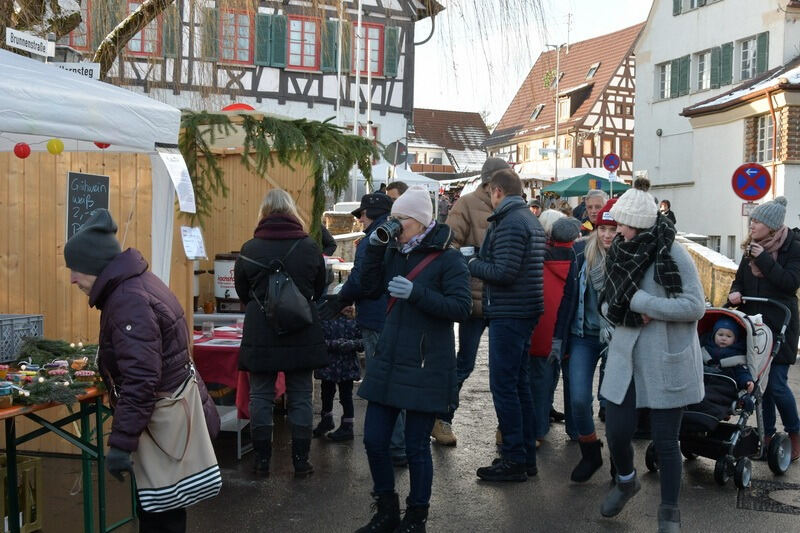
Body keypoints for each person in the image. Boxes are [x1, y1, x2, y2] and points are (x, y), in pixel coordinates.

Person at [64, 209, 220, 533]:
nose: (72, 279)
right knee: (168, 509)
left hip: (162, 423)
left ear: (94, 264)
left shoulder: (127, 299)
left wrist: (122, 443)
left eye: (75, 269)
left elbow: (141, 378)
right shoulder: (135, 285)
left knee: (161, 515)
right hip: (170, 416)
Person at [356, 186, 471, 532]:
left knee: (416, 445)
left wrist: (418, 293)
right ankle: (386, 511)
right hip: (390, 357)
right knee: (374, 440)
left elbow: (461, 308)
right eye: (393, 218)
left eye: (400, 219)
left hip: (425, 362)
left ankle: (415, 518)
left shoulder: (448, 259)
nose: (394, 225)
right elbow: (369, 286)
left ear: (420, 223)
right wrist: (374, 250)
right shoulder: (394, 251)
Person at [599, 184, 705, 532]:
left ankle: (669, 512)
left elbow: (695, 306)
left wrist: (644, 304)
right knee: (616, 431)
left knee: (665, 441)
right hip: (625, 358)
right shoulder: (618, 251)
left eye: (625, 226)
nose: (618, 232)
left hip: (664, 360)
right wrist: (619, 311)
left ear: (641, 225)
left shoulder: (673, 254)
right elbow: (608, 300)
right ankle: (627, 480)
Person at [234, 189, 329, 478]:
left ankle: (262, 460)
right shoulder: (310, 247)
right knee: (301, 396)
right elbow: (319, 288)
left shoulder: (250, 248)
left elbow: (242, 292)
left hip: (261, 331)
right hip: (301, 329)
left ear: (263, 213)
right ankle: (301, 461)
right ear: (291, 211)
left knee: (260, 396)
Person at [320, 193, 410, 465]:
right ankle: (399, 443)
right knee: (394, 381)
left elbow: (361, 282)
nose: (359, 219)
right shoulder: (396, 235)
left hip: (375, 318)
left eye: (362, 214)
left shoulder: (373, 240)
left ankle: (394, 447)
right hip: (394, 316)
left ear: (372, 214)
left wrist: (340, 299)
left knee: (382, 383)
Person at [469, 169, 546, 482]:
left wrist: (471, 263)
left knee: (504, 386)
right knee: (518, 385)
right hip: (523, 310)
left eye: (489, 193)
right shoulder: (527, 218)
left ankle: (514, 458)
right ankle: (525, 455)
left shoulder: (511, 222)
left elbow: (504, 271)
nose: (489, 198)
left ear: (497, 191)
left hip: (510, 312)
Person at [437, 157, 511, 446]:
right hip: (475, 298)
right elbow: (448, 243)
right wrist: (472, 262)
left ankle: (507, 427)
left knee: (505, 368)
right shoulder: (466, 204)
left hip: (506, 299)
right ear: (490, 181)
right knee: (464, 363)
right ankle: (442, 418)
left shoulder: (513, 204)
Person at [728, 196, 800, 462]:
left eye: (757, 221)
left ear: (771, 226)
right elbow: (739, 281)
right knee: (760, 387)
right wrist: (735, 293)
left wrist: (765, 261)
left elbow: (790, 283)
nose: (752, 224)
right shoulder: (751, 248)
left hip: (782, 325)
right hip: (755, 328)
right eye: (752, 220)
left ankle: (794, 433)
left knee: (778, 385)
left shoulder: (793, 247)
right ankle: (766, 437)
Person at [561, 199, 617, 483]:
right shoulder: (581, 251)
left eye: (613, 229)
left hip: (618, 340)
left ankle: (621, 457)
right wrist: (560, 338)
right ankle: (591, 452)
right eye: (603, 228)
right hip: (583, 335)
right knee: (579, 400)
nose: (607, 235)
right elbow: (569, 298)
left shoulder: (631, 258)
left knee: (617, 404)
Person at [528, 217, 581, 447]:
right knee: (574, 382)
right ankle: (577, 429)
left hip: (542, 329)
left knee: (540, 383)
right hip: (570, 330)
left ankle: (538, 430)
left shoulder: (539, 259)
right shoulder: (578, 260)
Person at [313, 305, 363, 441]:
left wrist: (350, 344)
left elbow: (363, 342)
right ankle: (326, 420)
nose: (348, 308)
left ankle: (347, 426)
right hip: (329, 366)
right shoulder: (326, 321)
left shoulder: (356, 322)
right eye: (344, 305)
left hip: (345, 367)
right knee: (326, 394)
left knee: (346, 396)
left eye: (350, 305)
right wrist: (338, 344)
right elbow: (319, 341)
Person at [701, 318, 754, 393]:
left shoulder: (736, 354)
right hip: (704, 383)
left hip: (724, 387)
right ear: (713, 335)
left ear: (735, 339)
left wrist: (747, 381)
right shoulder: (705, 349)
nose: (723, 338)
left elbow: (741, 371)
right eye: (720, 335)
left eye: (728, 336)